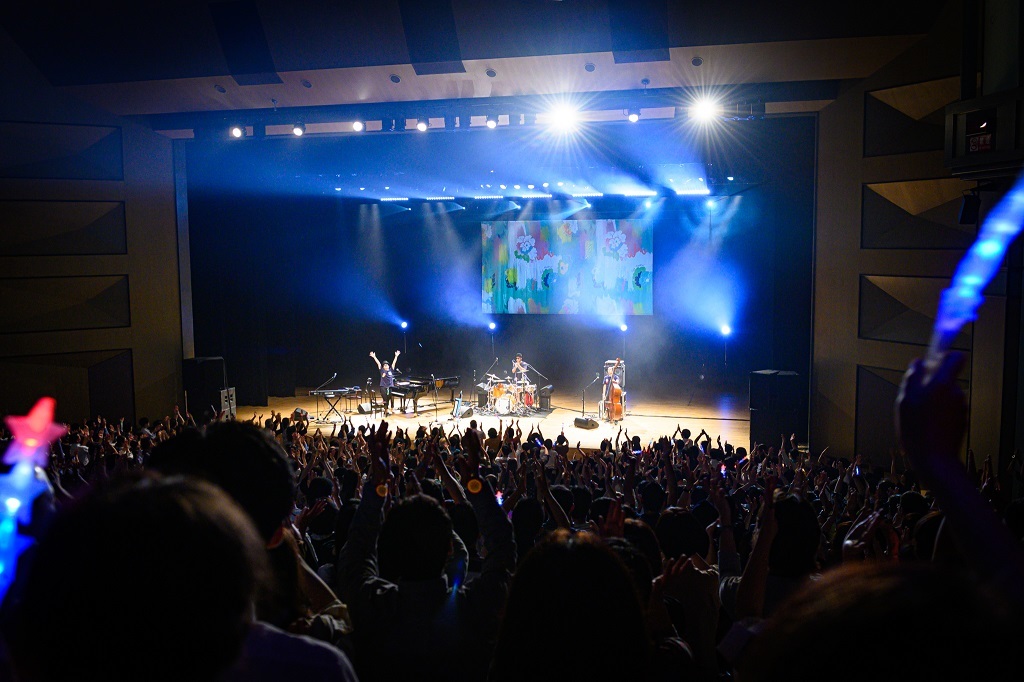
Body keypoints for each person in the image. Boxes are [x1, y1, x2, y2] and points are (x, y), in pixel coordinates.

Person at [369, 350, 400, 415]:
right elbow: (378, 363)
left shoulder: (391, 370)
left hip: (390, 386)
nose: (386, 366)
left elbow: (394, 363)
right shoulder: (382, 370)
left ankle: (390, 408)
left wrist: (396, 356)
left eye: (387, 365)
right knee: (385, 398)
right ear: (383, 367)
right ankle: (386, 410)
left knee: (389, 397)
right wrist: (374, 357)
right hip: (383, 387)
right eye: (385, 365)